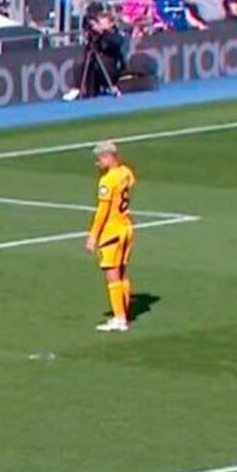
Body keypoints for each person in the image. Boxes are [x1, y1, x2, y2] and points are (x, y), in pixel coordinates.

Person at [84, 141, 137, 332]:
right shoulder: (126, 172)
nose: (97, 164)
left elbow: (103, 210)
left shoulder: (107, 181)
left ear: (108, 157)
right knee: (121, 272)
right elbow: (130, 183)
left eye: (99, 159)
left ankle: (119, 318)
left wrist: (93, 236)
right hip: (127, 227)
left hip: (112, 231)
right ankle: (124, 312)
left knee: (111, 273)